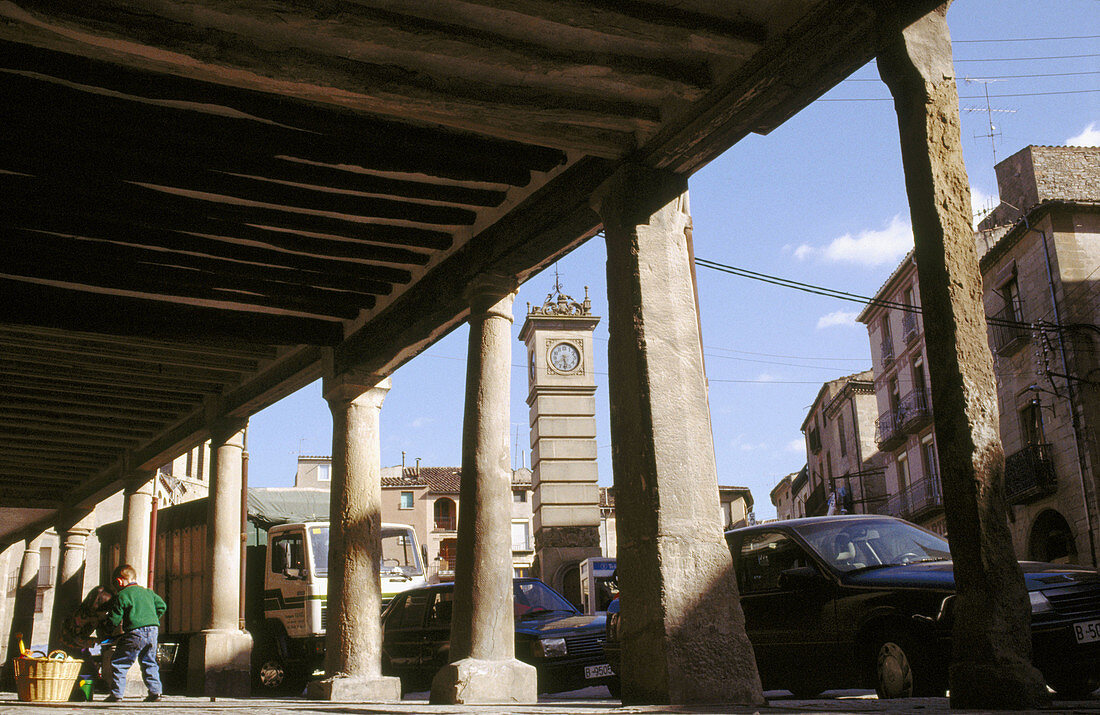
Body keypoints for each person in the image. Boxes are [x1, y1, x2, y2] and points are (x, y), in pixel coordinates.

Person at [103, 564, 166, 702]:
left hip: (135, 632)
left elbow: (114, 618)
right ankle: (156, 692)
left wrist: (107, 630)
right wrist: (152, 618)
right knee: (149, 661)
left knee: (120, 662)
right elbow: (162, 606)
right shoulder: (148, 592)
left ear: (119, 581)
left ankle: (117, 694)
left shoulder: (122, 595)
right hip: (153, 630)